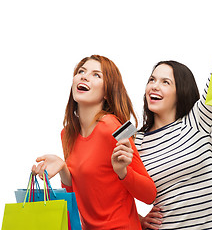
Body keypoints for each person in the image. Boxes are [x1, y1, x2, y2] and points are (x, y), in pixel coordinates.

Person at [135, 0, 212, 229]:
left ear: (181, 91)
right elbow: (107, 189)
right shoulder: (136, 141)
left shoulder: (197, 122)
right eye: (152, 79)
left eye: (165, 82)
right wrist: (138, 219)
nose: (154, 86)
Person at [32, 55, 157, 230]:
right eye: (81, 71)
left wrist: (122, 171)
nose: (84, 76)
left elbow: (149, 194)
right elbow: (78, 196)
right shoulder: (67, 134)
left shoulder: (111, 127)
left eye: (96, 75)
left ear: (107, 92)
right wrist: (62, 169)